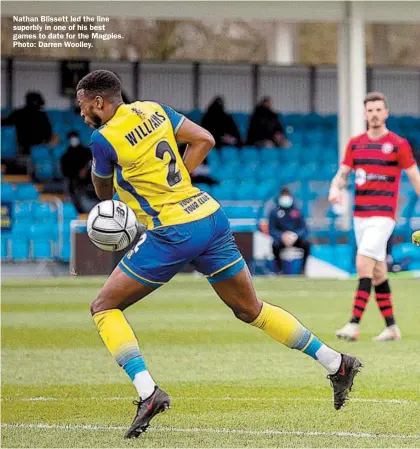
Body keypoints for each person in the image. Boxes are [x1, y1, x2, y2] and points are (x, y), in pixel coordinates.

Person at [76, 70, 362, 439]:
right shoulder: (154, 110)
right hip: (209, 215)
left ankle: (148, 392)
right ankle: (337, 363)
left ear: (99, 102)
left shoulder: (103, 139)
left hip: (173, 230)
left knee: (103, 307)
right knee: (250, 309)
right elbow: (205, 139)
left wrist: (123, 188)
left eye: (84, 107)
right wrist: (178, 179)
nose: (83, 115)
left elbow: (101, 193)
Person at [329, 91, 420, 342]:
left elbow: (414, 176)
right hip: (360, 216)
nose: (375, 114)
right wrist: (335, 188)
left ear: (386, 112)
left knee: (363, 263)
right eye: (370, 110)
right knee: (378, 272)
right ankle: (391, 328)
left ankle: (353, 325)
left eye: (379, 109)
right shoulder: (356, 143)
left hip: (383, 216)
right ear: (365, 114)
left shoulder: (398, 144)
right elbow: (343, 173)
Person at [1, 91, 56, 175]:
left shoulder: (18, 113)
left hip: (23, 148)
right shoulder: (42, 116)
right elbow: (49, 133)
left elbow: (5, 122)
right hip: (35, 147)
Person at [269, 187, 311, 275]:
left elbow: (304, 229)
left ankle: (302, 271)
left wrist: (295, 235)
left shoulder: (297, 211)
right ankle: (279, 271)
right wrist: (281, 236)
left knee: (307, 244)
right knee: (274, 245)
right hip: (281, 239)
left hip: (295, 239)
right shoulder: (274, 212)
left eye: (287, 196)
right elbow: (272, 230)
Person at [60, 131, 97, 213]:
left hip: (89, 182)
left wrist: (86, 169)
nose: (73, 140)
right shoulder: (66, 155)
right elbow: (65, 172)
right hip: (74, 184)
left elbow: (93, 162)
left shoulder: (86, 152)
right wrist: (77, 175)